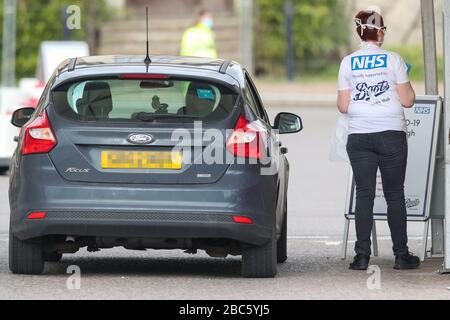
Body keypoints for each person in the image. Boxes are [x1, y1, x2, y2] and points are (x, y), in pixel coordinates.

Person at [337, 10, 420, 270]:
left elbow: (343, 105)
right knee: (395, 194)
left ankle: (361, 256)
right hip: (391, 134)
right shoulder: (393, 60)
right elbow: (407, 100)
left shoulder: (348, 63)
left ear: (359, 32)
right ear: (380, 32)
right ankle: (401, 255)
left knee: (364, 194)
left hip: (359, 135)